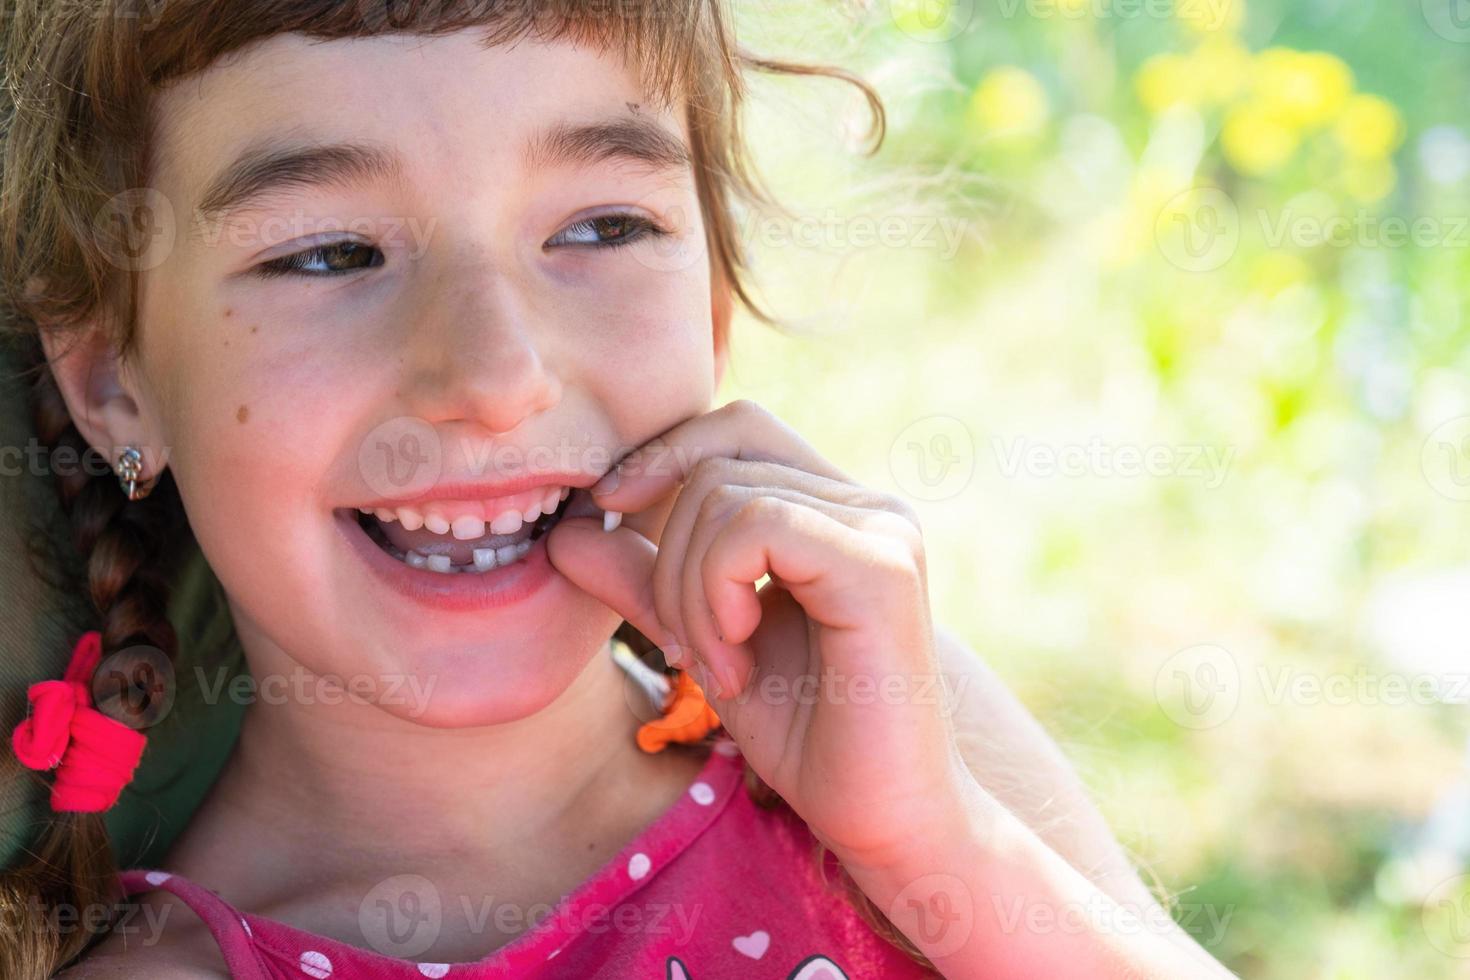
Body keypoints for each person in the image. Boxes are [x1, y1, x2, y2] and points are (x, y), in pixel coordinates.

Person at [0, 2, 1234, 977]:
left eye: (600, 228)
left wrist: (934, 842)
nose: (496, 376)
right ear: (114, 379)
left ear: (713, 297)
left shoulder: (888, 711)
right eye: (330, 251)